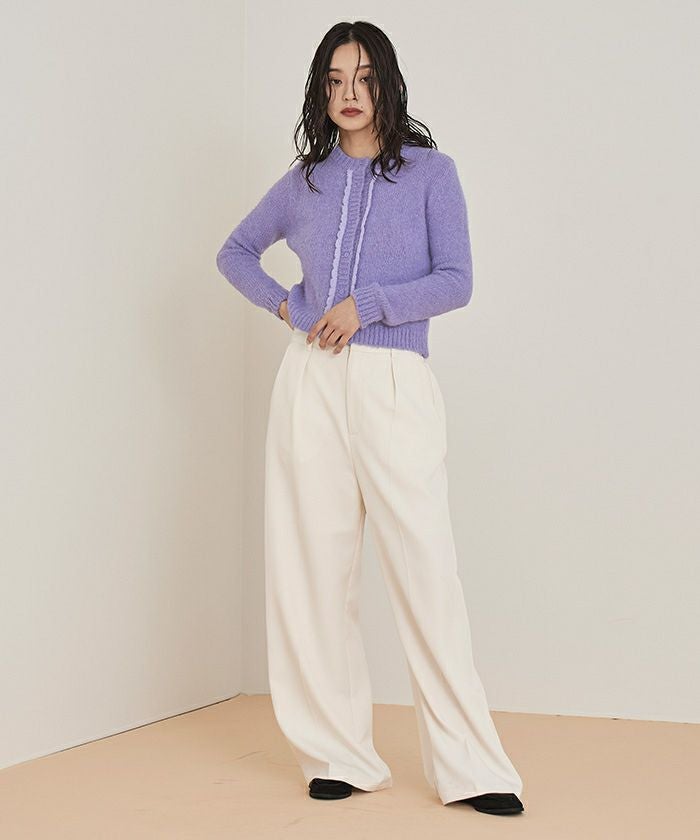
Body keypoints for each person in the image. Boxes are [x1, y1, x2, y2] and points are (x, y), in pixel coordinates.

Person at [216, 20, 525, 816]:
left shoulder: (431, 174)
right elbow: (235, 252)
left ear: (386, 82)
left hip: (394, 381)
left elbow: (456, 280)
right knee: (312, 571)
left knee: (426, 569)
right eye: (334, 81)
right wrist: (292, 307)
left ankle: (473, 767)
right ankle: (337, 754)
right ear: (321, 92)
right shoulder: (306, 181)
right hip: (311, 383)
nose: (349, 94)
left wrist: (369, 304)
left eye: (362, 78)